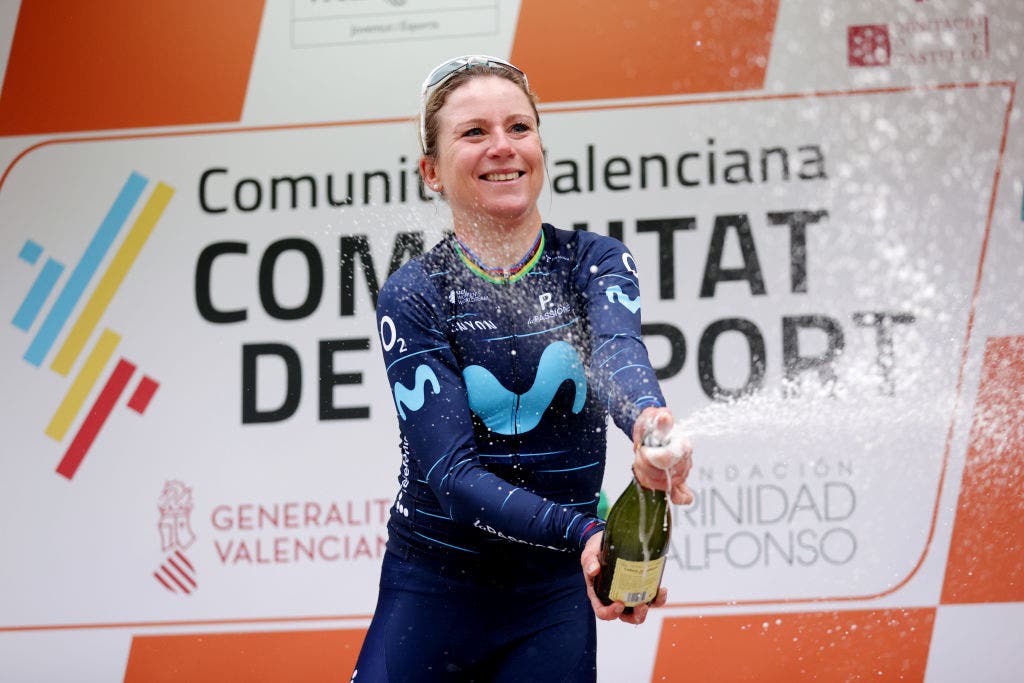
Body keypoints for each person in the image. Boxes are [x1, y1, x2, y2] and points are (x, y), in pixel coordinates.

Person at [352, 55, 693, 682]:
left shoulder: (596, 262)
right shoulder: (414, 292)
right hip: (432, 586)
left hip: (548, 597)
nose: (502, 147)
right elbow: (452, 475)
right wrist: (588, 532)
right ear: (430, 171)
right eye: (474, 132)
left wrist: (650, 428)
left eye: (519, 127)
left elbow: (619, 357)